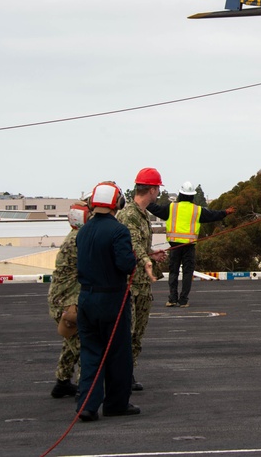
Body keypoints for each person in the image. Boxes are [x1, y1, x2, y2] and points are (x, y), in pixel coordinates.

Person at [74, 181, 152, 421]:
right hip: (111, 299)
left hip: (85, 298)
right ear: (117, 203)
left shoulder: (83, 230)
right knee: (118, 353)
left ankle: (87, 405)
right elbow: (126, 265)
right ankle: (116, 403)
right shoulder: (118, 230)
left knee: (90, 353)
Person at [116, 167, 167, 392]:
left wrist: (151, 254)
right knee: (128, 332)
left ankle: (128, 372)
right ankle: (121, 375)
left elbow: (141, 247)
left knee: (137, 332)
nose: (158, 193)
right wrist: (146, 261)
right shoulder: (129, 215)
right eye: (158, 189)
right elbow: (133, 246)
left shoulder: (143, 215)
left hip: (142, 285)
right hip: (131, 284)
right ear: (152, 189)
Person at [147, 181, 234, 308]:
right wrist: (225, 212)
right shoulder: (197, 210)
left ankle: (172, 299)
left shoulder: (171, 208)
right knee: (187, 273)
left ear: (180, 194)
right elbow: (213, 215)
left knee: (174, 272)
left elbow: (156, 209)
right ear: (192, 196)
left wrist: (143, 201)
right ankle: (183, 300)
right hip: (189, 246)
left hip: (175, 246)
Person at [46, 196, 89, 399]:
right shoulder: (79, 239)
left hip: (65, 299)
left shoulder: (73, 236)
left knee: (71, 342)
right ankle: (85, 389)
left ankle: (62, 382)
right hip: (67, 302)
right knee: (85, 346)